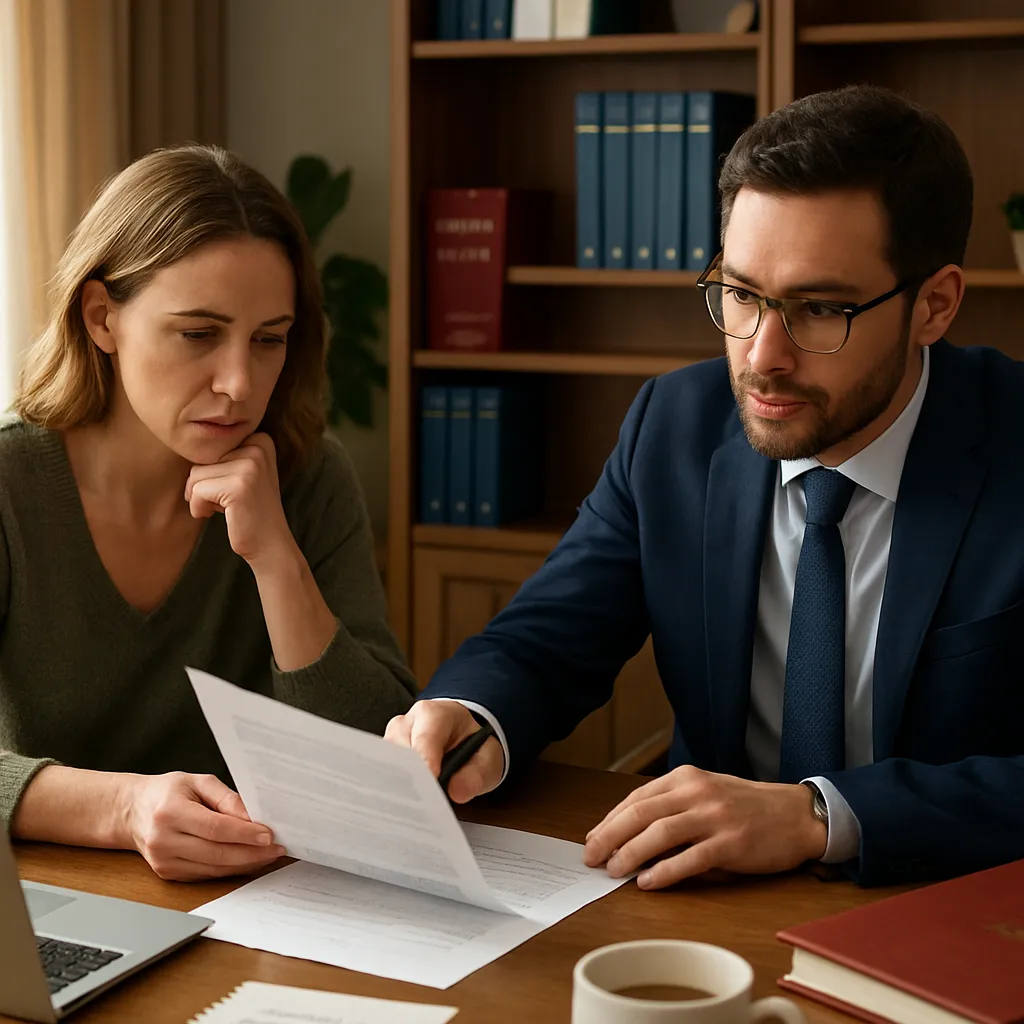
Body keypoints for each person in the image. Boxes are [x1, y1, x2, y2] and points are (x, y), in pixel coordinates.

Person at [386, 84, 1024, 888]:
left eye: (821, 309)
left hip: (947, 909)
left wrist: (819, 816)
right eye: (742, 294)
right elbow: (546, 640)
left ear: (935, 304)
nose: (762, 357)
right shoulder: (675, 425)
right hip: (704, 899)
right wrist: (469, 716)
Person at [0, 144, 416, 881]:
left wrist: (275, 557)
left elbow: (372, 760)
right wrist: (125, 809)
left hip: (257, 905)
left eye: (269, 340)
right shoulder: (9, 486)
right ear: (102, 318)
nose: (238, 382)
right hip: (45, 902)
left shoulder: (309, 477)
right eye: (198, 334)